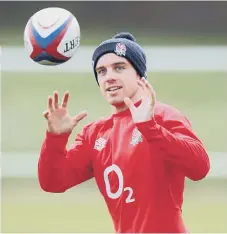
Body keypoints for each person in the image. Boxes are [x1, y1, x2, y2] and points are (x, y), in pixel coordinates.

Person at [38, 32, 210, 233]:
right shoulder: (94, 133)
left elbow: (200, 168)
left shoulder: (162, 116)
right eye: (101, 71)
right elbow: (53, 182)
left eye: (119, 68)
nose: (109, 76)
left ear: (139, 74)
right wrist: (55, 139)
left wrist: (150, 128)